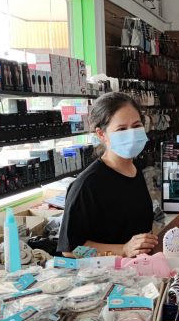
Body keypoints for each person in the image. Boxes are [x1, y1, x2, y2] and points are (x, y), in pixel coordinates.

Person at [57, 92, 158, 257]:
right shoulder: (88, 184)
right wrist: (123, 250)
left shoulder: (134, 169)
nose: (132, 134)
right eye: (122, 129)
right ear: (101, 135)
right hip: (105, 277)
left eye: (136, 125)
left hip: (139, 271)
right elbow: (71, 249)